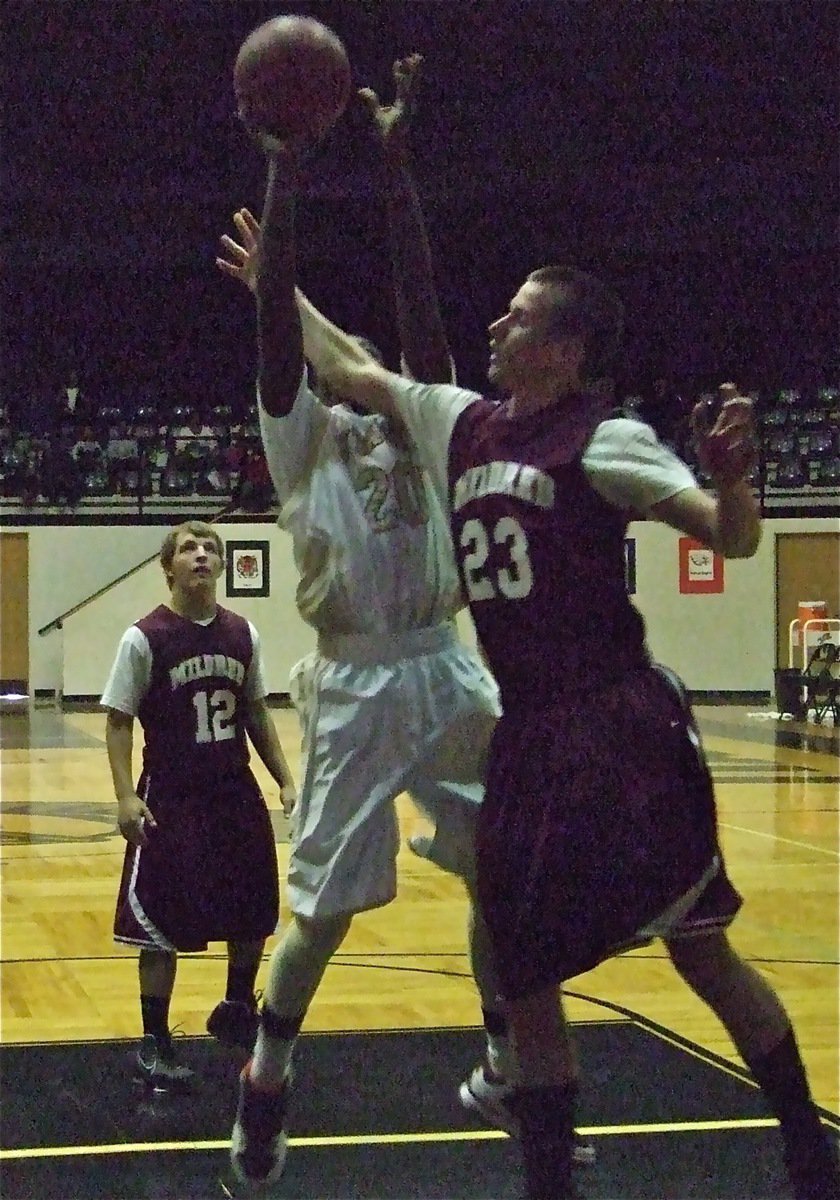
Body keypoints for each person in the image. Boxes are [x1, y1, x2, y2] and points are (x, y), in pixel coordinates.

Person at [284, 243, 840, 1197]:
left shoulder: (606, 439)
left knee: (700, 947)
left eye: (520, 318)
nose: (495, 328)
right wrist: (276, 282)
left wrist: (739, 479)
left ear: (570, 350)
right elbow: (347, 370)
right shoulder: (458, 421)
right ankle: (549, 1179)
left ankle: (807, 1144)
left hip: (620, 727)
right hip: (532, 734)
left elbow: (732, 537)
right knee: (524, 961)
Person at [216, 55, 600, 1189]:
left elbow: (424, 321)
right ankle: (266, 1088)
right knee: (320, 919)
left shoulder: (438, 426)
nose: (375, 365)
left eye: (384, 363)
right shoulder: (300, 436)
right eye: (355, 361)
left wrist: (394, 171)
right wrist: (283, 170)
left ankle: (500, 1060)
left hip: (444, 671)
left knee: (506, 869)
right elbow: (283, 342)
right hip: (350, 684)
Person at [103, 519, 296, 1090]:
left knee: (255, 902)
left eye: (210, 547)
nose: (202, 555)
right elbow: (116, 719)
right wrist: (123, 796)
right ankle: (153, 1040)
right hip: (172, 794)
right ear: (169, 567)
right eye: (188, 548)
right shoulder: (145, 637)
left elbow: (256, 711)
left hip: (233, 790)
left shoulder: (243, 633)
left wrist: (285, 779)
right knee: (161, 920)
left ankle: (237, 1008)